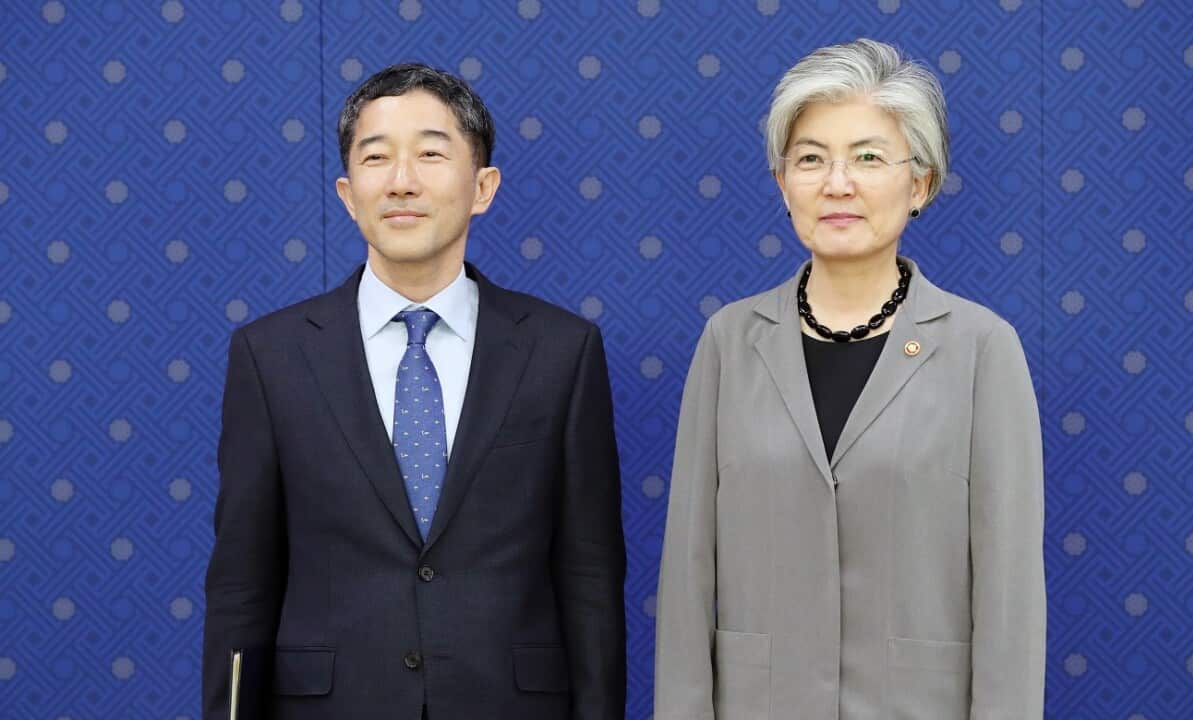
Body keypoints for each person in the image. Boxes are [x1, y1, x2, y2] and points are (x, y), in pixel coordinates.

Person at [202, 63, 627, 719]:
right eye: (377, 157)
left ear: (482, 186)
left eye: (431, 154)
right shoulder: (272, 355)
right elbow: (242, 582)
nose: (402, 181)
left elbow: (591, 576)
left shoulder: (561, 350)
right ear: (348, 193)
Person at [654, 40, 1045, 719]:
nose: (837, 183)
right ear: (782, 183)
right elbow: (687, 577)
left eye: (868, 157)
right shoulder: (729, 341)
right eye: (811, 159)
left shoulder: (983, 349)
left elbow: (1010, 595)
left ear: (919, 183)